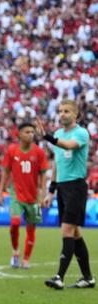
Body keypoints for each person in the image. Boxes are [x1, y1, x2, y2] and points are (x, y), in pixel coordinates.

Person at [37, 100, 94, 289]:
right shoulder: (59, 134)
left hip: (76, 187)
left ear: (76, 114)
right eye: (60, 111)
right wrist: (51, 190)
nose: (62, 114)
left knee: (67, 230)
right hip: (62, 187)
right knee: (75, 233)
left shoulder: (81, 133)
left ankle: (59, 277)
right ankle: (88, 278)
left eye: (67, 111)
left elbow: (69, 146)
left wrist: (47, 137)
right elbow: (57, 164)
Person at [0, 122, 49, 269]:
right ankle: (15, 253)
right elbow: (6, 172)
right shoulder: (12, 150)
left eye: (32, 132)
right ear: (19, 134)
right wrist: (1, 192)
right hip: (16, 194)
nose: (31, 135)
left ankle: (26, 259)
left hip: (34, 196)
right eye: (27, 132)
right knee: (14, 223)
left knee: (31, 228)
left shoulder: (39, 152)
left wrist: (43, 194)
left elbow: (43, 174)